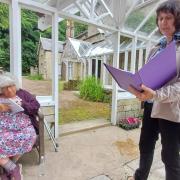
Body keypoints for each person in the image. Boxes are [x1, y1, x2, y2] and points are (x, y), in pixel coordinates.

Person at [127, 1, 180, 180]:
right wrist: (137, 87)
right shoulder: (155, 47)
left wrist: (156, 94)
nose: (163, 22)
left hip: (170, 111)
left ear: (177, 20)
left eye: (168, 18)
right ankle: (139, 177)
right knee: (145, 145)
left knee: (170, 156)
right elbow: (147, 77)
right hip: (150, 106)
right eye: (160, 18)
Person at [0, 72, 40, 180]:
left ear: (15, 85)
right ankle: (13, 169)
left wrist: (22, 104)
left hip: (23, 128)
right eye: (4, 88)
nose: (8, 90)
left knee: (29, 136)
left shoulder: (23, 94)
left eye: (11, 86)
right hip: (3, 129)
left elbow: (35, 106)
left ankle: (8, 169)